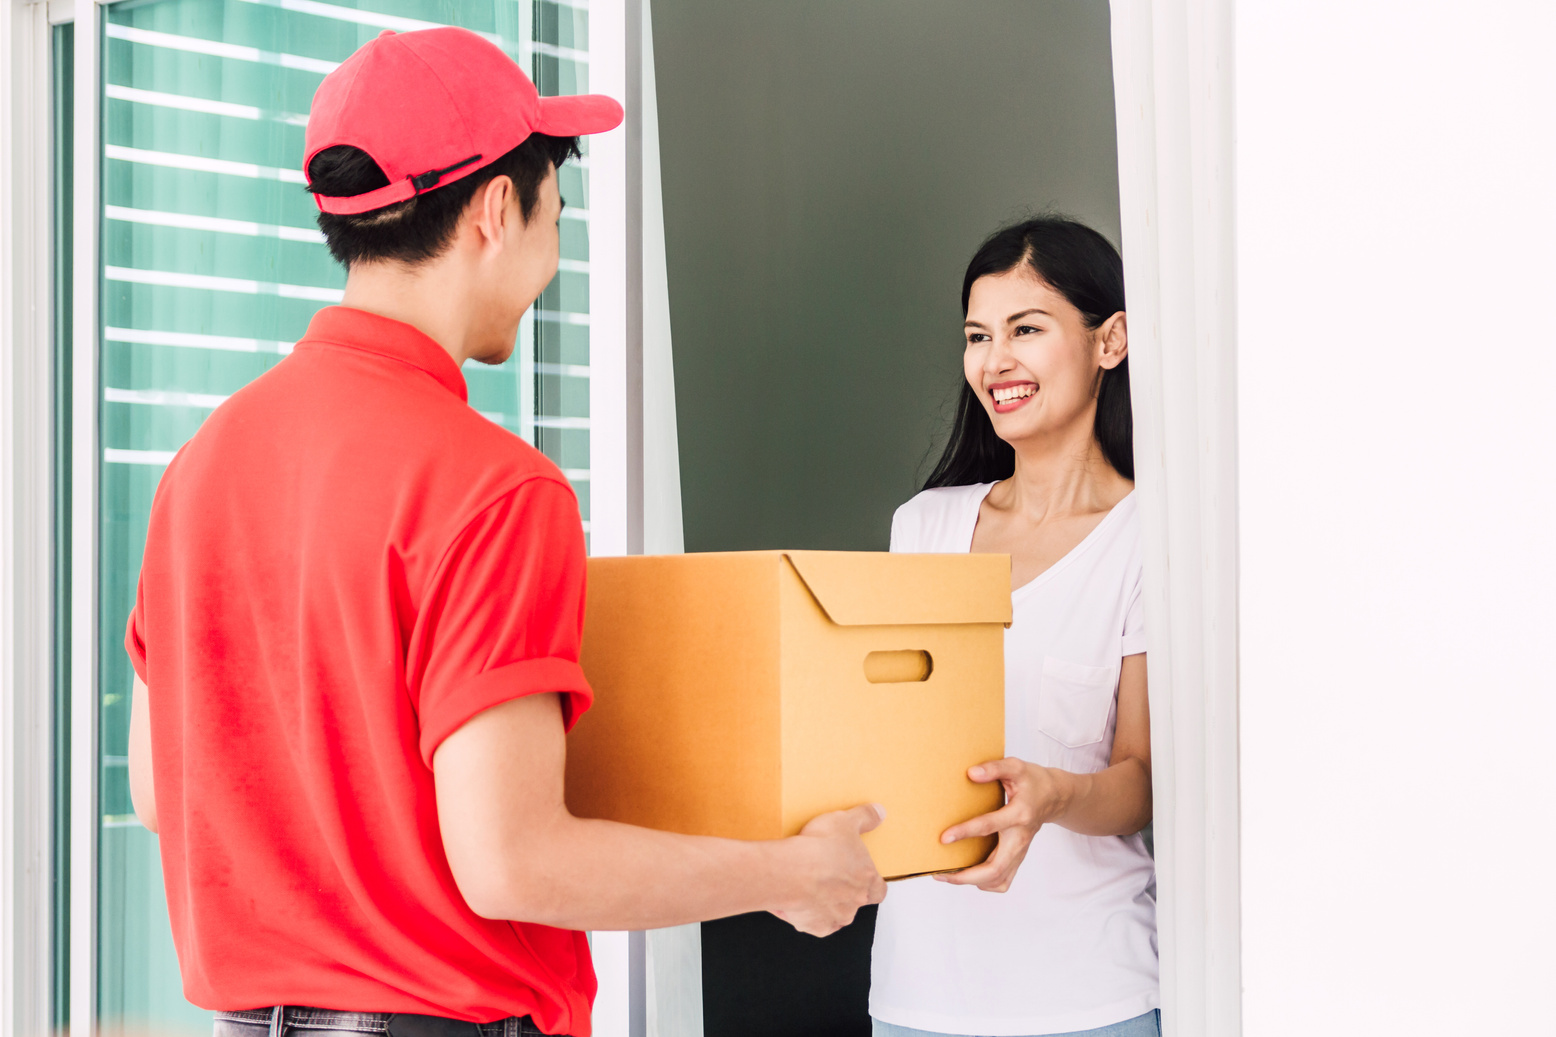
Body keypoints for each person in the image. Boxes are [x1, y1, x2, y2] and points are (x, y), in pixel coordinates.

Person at [124, 27, 885, 1037]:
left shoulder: (200, 467)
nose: (554, 257)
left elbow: (157, 787)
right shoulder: (491, 487)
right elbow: (514, 860)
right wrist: (789, 871)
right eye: (554, 215)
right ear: (495, 210)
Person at [868, 217, 1158, 1037]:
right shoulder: (922, 525)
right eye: (977, 336)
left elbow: (1141, 781)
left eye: (1026, 329)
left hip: (1093, 996)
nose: (995, 363)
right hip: (919, 992)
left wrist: (1053, 792)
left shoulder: (1147, 539)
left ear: (1111, 341)